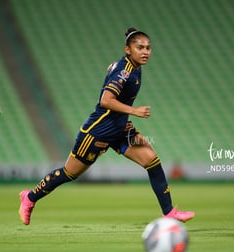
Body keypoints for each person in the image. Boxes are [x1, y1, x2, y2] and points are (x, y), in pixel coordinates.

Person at [18, 27, 195, 225]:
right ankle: (30, 197)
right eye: (140, 48)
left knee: (152, 160)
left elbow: (112, 72)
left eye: (148, 48)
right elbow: (105, 100)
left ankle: (169, 212)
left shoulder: (133, 67)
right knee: (70, 173)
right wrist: (134, 110)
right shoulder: (125, 71)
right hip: (97, 131)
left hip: (120, 129)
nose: (145, 52)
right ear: (128, 50)